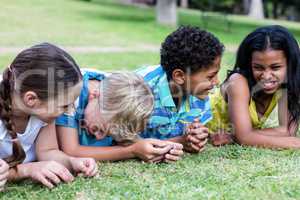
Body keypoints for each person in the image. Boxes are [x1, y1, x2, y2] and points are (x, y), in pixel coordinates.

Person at [0, 43, 97, 189]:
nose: (69, 111)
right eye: (64, 105)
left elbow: (47, 151)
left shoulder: (43, 114)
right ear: (31, 99)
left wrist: (71, 162)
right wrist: (27, 170)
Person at [56, 70, 183, 163]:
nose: (99, 137)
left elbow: (136, 142)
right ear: (94, 95)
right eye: (98, 128)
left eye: (109, 135)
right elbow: (71, 151)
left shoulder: (112, 108)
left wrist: (163, 150)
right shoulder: (72, 95)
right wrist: (132, 151)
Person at [207, 25, 300, 148]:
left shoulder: (286, 85)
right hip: (193, 124)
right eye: (258, 67)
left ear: (290, 64)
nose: (266, 76)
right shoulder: (238, 82)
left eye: (275, 67)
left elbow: (286, 131)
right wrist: (294, 143)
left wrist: (236, 136)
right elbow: (244, 138)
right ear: (249, 64)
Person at [136, 26, 224, 153]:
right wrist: (181, 141)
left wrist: (196, 135)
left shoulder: (199, 93)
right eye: (210, 76)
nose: (217, 82)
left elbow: (192, 132)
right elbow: (126, 142)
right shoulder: (140, 91)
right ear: (179, 76)